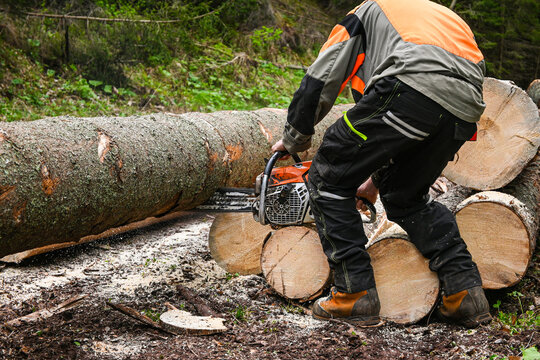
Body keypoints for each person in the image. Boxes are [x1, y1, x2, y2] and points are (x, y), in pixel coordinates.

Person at [271, 0, 492, 328]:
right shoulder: (431, 17)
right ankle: (465, 293)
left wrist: (295, 137)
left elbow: (323, 73)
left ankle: (353, 294)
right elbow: (400, 134)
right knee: (406, 198)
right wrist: (374, 183)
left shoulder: (366, 11)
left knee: (328, 175)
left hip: (411, 86)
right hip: (464, 109)